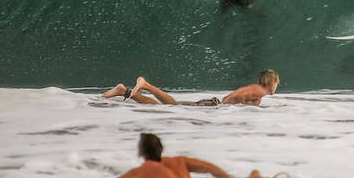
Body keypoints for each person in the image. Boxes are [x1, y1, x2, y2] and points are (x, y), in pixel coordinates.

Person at [116, 133, 290, 178]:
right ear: (162, 149)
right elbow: (211, 169)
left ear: (140, 153)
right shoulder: (179, 160)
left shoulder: (139, 171)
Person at [102, 69, 280, 107]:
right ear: (271, 82)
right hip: (213, 107)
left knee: (170, 105)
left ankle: (123, 91)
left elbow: (237, 95)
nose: (276, 88)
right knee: (170, 105)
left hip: (213, 105)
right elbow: (237, 98)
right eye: (277, 84)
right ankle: (146, 85)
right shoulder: (259, 91)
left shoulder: (255, 89)